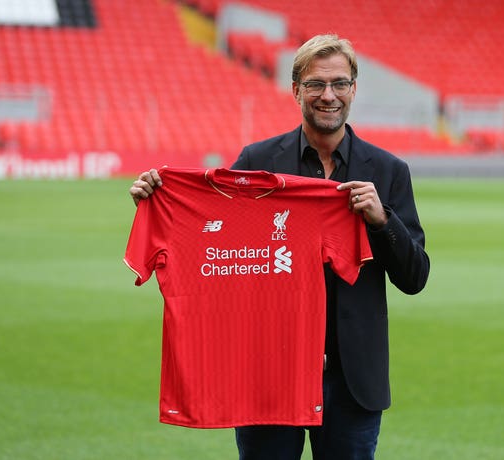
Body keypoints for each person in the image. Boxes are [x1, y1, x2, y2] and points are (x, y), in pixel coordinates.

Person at [129, 34, 430, 460]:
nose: (329, 95)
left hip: (351, 383)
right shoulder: (257, 162)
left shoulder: (387, 171)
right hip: (268, 373)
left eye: (340, 83)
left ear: (353, 89)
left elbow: (415, 277)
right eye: (315, 84)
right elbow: (215, 242)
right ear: (296, 90)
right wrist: (161, 203)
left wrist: (382, 221)